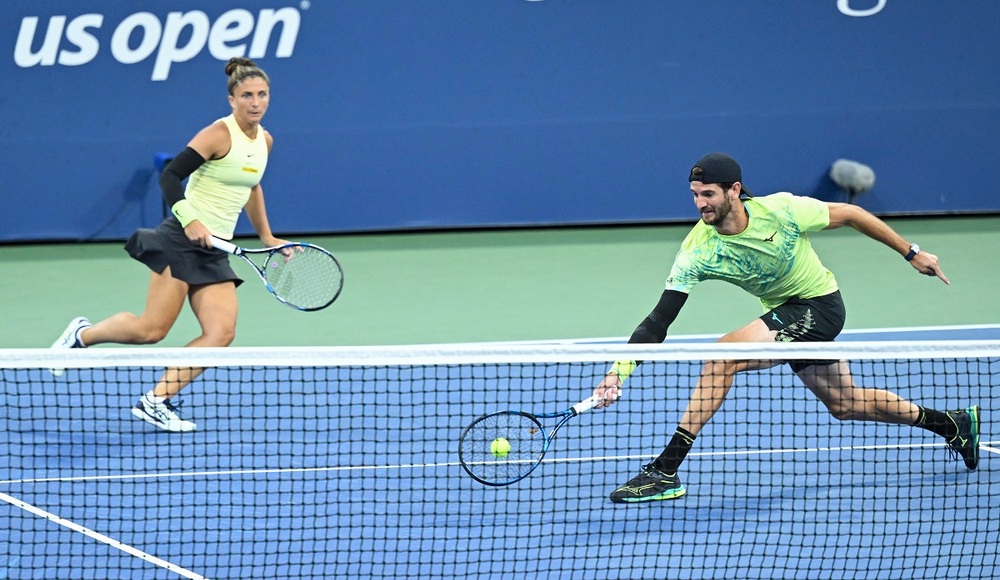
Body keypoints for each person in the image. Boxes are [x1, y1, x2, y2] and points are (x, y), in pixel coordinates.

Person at [594, 152, 980, 504]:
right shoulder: (698, 249)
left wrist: (910, 252)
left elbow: (852, 213)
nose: (700, 204)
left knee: (722, 356)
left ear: (734, 190)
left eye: (708, 193)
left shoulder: (782, 211)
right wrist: (618, 372)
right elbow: (659, 320)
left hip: (820, 306)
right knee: (846, 405)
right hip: (786, 316)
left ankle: (665, 470)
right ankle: (953, 424)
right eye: (695, 194)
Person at [50, 57, 290, 433]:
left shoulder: (266, 141)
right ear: (231, 100)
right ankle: (82, 335)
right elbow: (171, 176)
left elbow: (251, 187)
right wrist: (190, 218)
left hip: (216, 248)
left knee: (221, 332)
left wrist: (267, 236)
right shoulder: (217, 134)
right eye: (246, 95)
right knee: (151, 330)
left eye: (262, 95)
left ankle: (155, 401)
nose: (255, 102)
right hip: (181, 239)